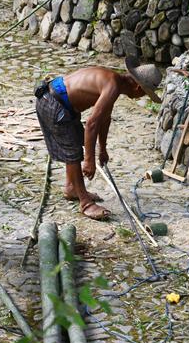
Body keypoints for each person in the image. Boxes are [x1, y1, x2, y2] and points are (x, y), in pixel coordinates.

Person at [35, 56, 163, 220]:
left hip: (61, 103)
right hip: (53, 103)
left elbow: (104, 118)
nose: (142, 97)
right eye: (145, 94)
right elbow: (92, 124)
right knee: (73, 152)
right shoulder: (113, 85)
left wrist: (102, 149)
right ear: (138, 88)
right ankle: (85, 203)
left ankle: (71, 187)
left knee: (75, 140)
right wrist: (89, 160)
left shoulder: (114, 82)